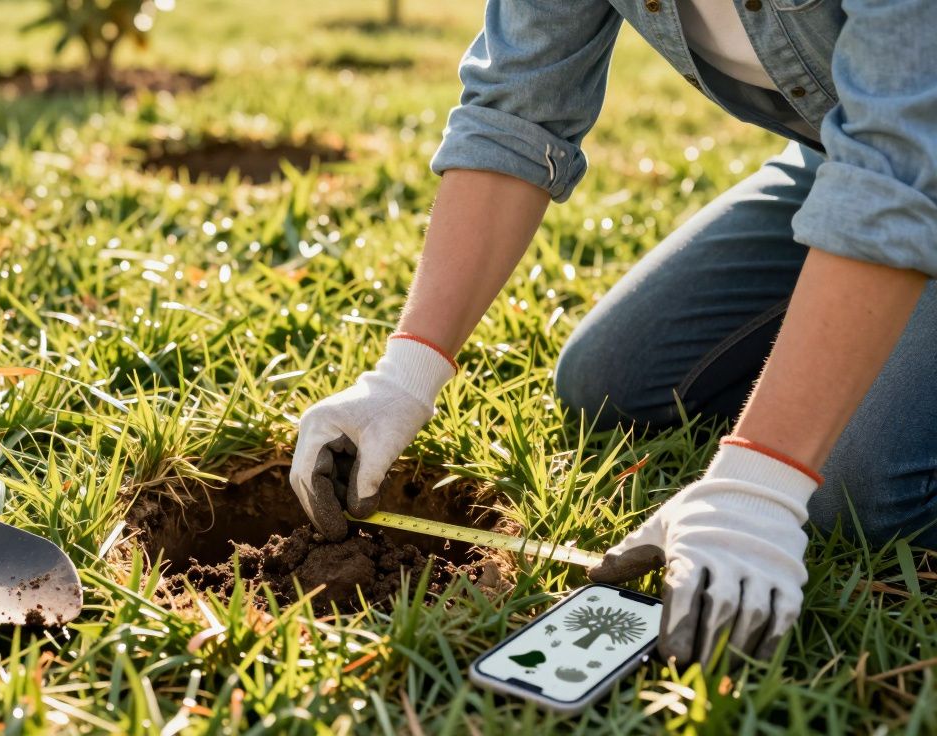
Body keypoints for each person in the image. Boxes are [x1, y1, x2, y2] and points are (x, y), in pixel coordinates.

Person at [289, 0, 936, 667]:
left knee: (855, 492)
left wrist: (762, 481)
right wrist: (405, 375)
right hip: (833, 165)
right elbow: (516, 110)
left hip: (907, 164)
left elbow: (897, 170)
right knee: (611, 380)